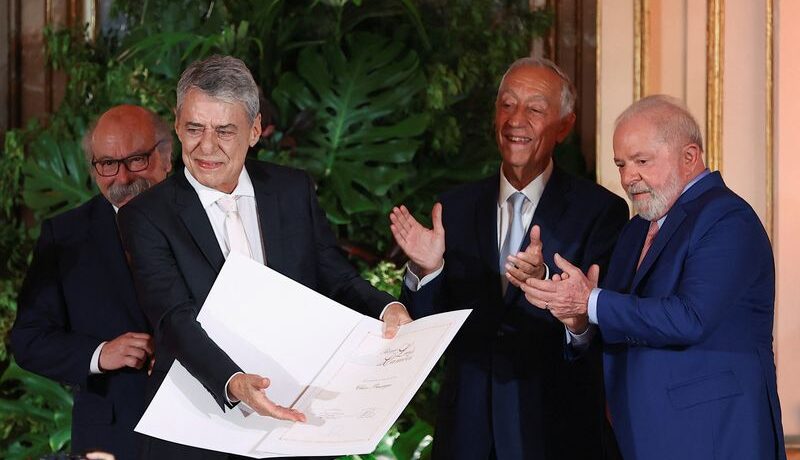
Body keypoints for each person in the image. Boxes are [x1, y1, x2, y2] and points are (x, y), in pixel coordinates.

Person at [116, 54, 412, 460]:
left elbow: (337, 277)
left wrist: (388, 309)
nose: (206, 146)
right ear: (178, 125)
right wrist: (233, 382)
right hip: (197, 428)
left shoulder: (292, 190)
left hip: (292, 419)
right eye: (194, 128)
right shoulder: (146, 215)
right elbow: (173, 320)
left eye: (224, 131)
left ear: (254, 130)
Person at [389, 57, 629, 459]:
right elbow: (425, 328)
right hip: (467, 436)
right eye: (507, 105)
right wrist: (427, 271)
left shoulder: (601, 212)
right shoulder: (454, 208)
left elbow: (602, 331)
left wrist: (557, 294)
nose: (516, 120)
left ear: (564, 126)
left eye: (535, 109)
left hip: (554, 433)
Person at [521, 95, 786, 459]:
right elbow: (619, 321)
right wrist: (578, 321)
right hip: (639, 437)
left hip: (713, 437)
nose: (628, 178)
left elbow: (690, 318)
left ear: (689, 157)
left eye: (641, 161)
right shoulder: (635, 230)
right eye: (621, 164)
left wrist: (591, 301)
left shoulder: (727, 218)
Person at [11, 105, 173, 460]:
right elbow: (28, 340)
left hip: (208, 432)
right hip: (111, 440)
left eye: (136, 160)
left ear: (166, 157)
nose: (123, 178)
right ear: (94, 168)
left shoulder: (209, 219)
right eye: (108, 164)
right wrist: (100, 353)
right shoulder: (64, 236)